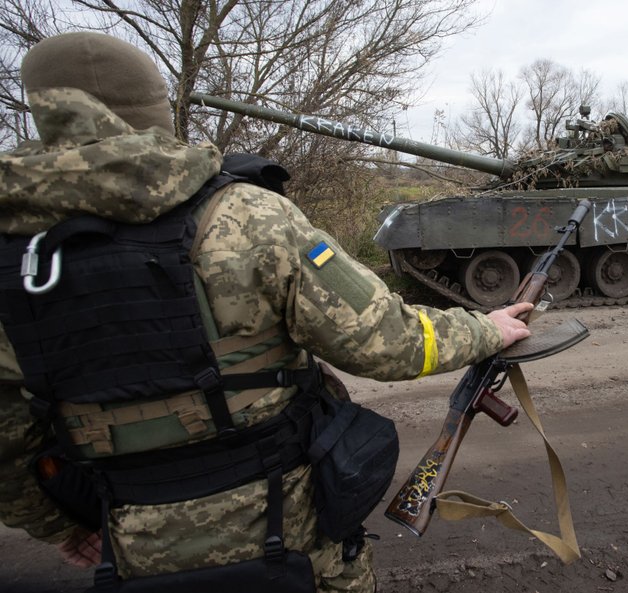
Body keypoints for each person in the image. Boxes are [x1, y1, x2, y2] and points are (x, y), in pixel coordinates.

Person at [0, 31, 531, 592]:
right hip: (285, 525)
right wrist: (483, 328)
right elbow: (386, 340)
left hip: (131, 537)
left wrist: (57, 525)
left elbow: (8, 441)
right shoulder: (248, 215)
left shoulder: (12, 251)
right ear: (156, 111)